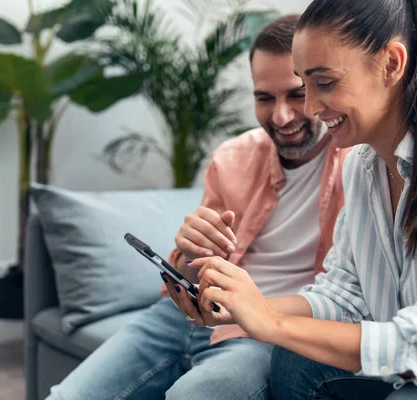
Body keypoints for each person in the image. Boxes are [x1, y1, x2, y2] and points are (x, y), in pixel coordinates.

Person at [175, 0, 417, 398]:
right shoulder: (363, 164)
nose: (309, 108)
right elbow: (347, 294)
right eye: (305, 86)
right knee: (294, 360)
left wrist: (274, 325)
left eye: (324, 83)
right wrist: (247, 307)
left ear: (392, 64)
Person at [47, 14, 352, 400]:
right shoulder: (232, 157)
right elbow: (183, 273)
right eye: (264, 98)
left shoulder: (359, 164)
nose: (281, 116)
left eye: (295, 94)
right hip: (182, 315)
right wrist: (188, 252)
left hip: (260, 330)